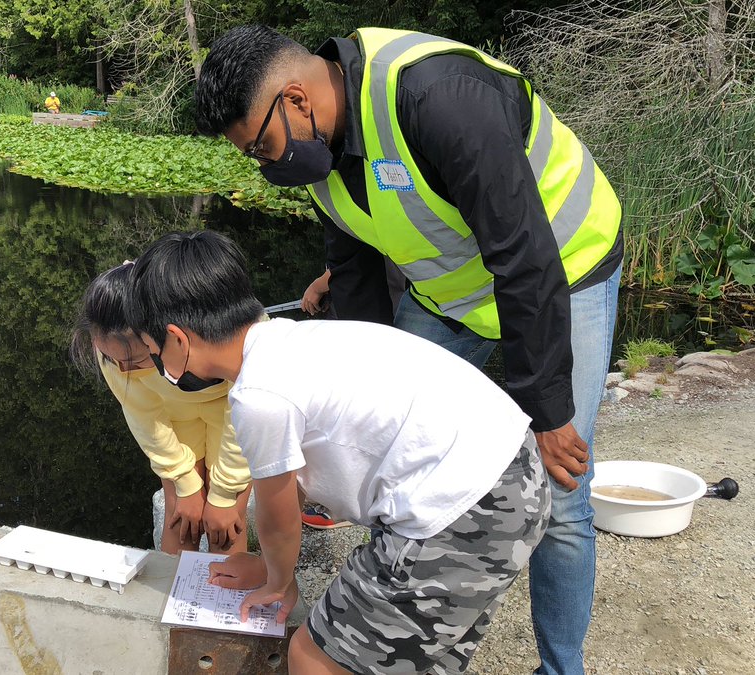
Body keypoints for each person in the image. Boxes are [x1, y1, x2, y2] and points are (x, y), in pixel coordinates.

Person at [194, 25, 624, 674]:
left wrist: (549, 410)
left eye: (262, 145)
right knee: (406, 457)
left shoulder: (437, 96)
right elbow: (356, 271)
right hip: (454, 288)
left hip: (562, 264)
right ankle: (403, 604)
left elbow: (523, 255)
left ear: (296, 99)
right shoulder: (318, 154)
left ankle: (561, 667)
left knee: (562, 487)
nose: (266, 163)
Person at [125, 230, 549, 675]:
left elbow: (279, 510)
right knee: (419, 661)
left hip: (460, 514)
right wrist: (270, 567)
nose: (159, 367)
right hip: (511, 476)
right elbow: (295, 477)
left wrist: (278, 582)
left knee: (313, 656)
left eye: (154, 353)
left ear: (177, 339)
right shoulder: (291, 341)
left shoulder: (259, 394)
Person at [70, 263, 252, 554]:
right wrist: (185, 482)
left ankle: (225, 596)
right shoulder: (113, 347)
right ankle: (176, 597)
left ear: (165, 337)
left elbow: (244, 416)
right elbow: (144, 418)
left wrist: (224, 493)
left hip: (233, 412)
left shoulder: (217, 333)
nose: (122, 370)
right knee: (181, 516)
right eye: (110, 358)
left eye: (139, 361)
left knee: (226, 523)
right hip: (173, 415)